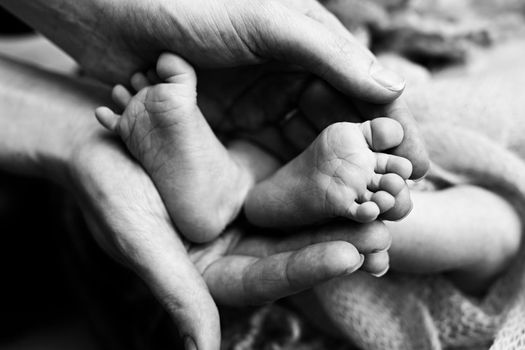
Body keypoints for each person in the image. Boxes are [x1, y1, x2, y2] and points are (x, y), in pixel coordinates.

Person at [0, 1, 430, 349]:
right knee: (487, 226)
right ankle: (250, 183)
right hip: (90, 241)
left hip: (77, 242)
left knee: (489, 225)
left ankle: (245, 181)